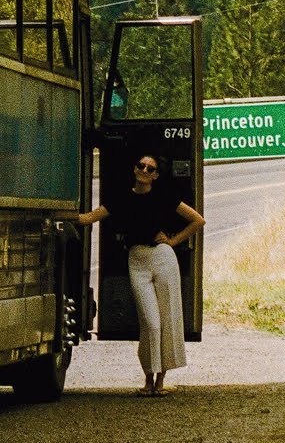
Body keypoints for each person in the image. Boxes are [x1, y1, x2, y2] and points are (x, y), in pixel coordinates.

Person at [74, 154, 205, 397]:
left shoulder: (164, 196)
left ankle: (159, 381)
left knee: (167, 318)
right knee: (150, 322)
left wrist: (173, 241)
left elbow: (198, 220)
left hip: (163, 258)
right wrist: (57, 215)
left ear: (155, 175)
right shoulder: (121, 198)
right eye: (140, 165)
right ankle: (148, 377)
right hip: (137, 259)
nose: (144, 170)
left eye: (150, 168)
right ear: (134, 170)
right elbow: (88, 218)